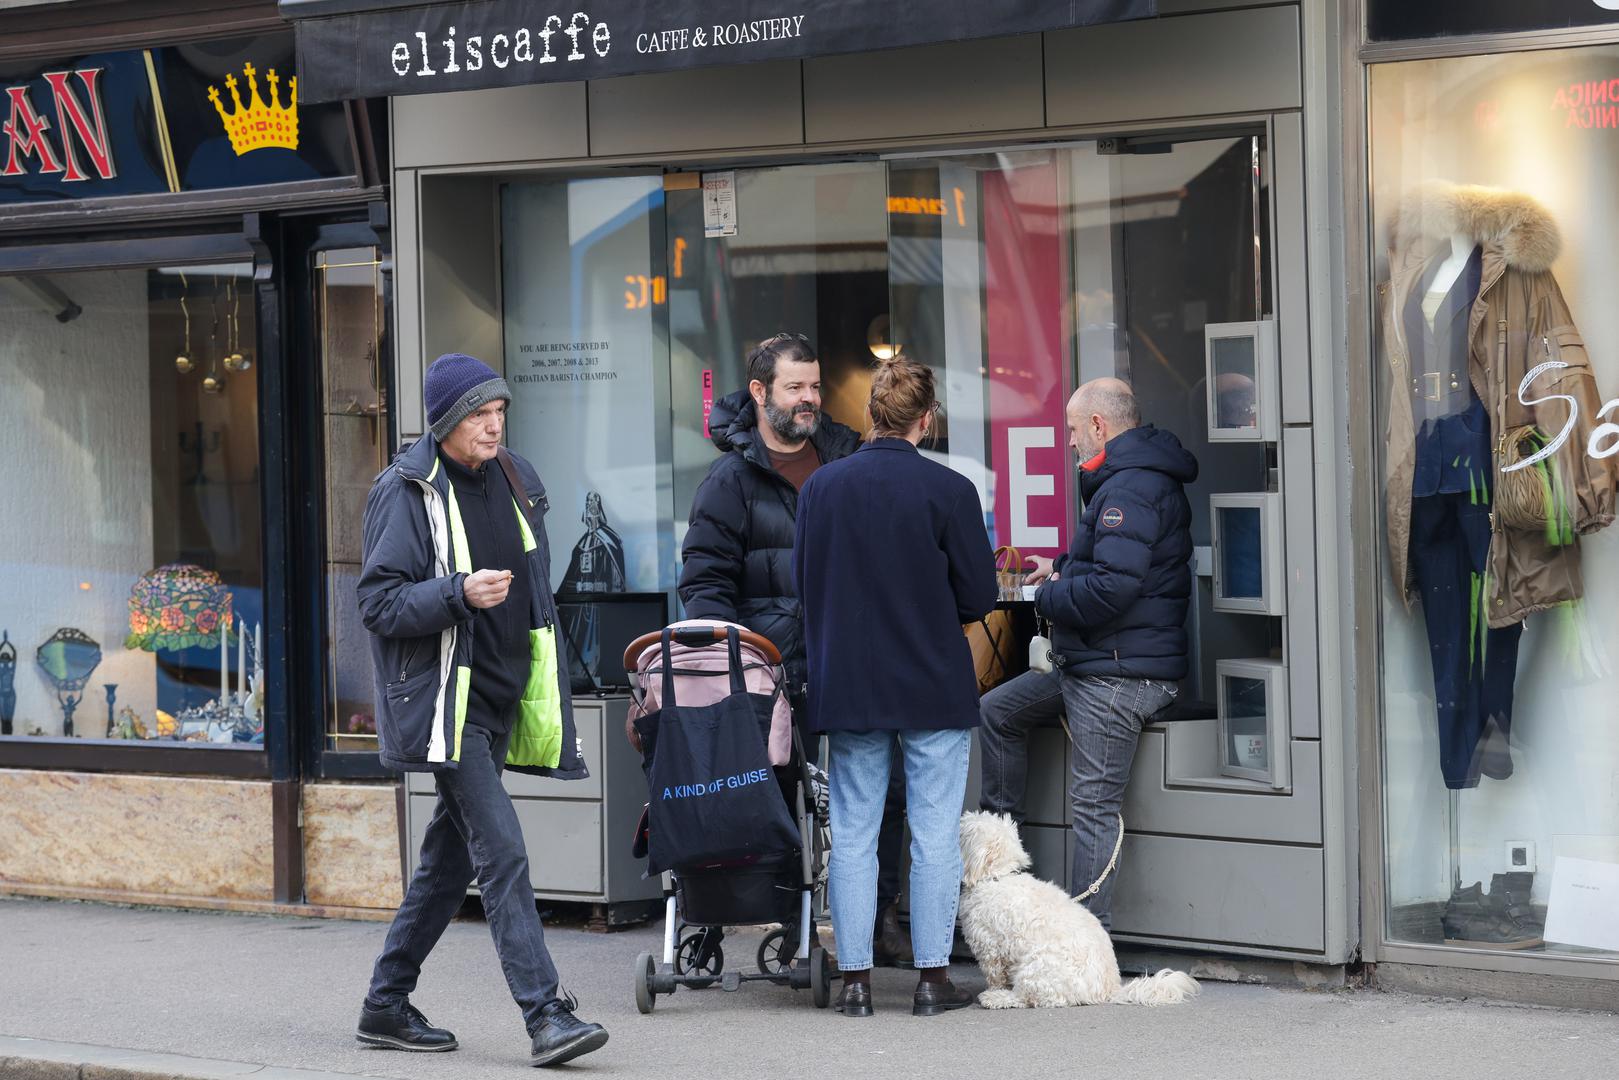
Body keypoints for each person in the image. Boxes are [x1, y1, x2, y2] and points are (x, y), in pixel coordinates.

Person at [355, 352, 608, 1068]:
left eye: (498, 413)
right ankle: (545, 1014)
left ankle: (385, 1003)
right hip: (447, 704)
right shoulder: (405, 490)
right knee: (502, 850)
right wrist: (457, 592)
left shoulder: (516, 476)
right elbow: (376, 603)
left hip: (503, 695)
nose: (493, 426)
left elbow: (536, 586)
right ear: (443, 423)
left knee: (447, 862)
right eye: (477, 416)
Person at [678, 332, 914, 966]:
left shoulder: (848, 458)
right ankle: (795, 926)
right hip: (773, 668)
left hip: (856, 658)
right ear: (760, 393)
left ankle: (880, 918)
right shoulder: (730, 481)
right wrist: (729, 671)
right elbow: (705, 585)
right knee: (779, 792)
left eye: (815, 385)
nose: (810, 399)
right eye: (795, 387)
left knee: (884, 791)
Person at [794, 355, 997, 1018]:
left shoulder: (822, 489)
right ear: (926, 419)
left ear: (869, 416)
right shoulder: (949, 491)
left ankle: (854, 982)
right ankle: (931, 981)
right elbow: (979, 595)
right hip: (931, 680)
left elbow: (806, 587)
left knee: (852, 831)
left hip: (849, 682)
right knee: (933, 831)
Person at [978, 377, 1197, 931]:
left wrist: (1039, 595)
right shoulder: (1123, 479)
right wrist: (1060, 568)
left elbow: (1111, 591)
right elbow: (1109, 567)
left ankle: (1084, 940)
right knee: (997, 711)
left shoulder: (1129, 488)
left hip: (1122, 673)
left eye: (1073, 429)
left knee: (1093, 805)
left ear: (1098, 426)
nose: (1069, 440)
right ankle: (1002, 871)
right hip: (1098, 661)